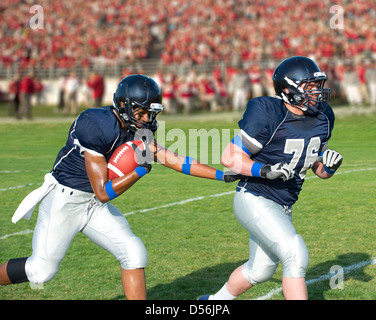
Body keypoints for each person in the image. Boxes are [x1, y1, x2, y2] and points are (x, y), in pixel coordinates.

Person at [0, 74, 239, 300]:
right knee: (40, 271)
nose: (146, 119)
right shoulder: (96, 124)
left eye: (150, 113)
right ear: (123, 105)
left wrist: (221, 175)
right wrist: (139, 171)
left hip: (92, 204)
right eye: (142, 112)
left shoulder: (139, 127)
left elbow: (172, 158)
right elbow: (103, 192)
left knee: (133, 253)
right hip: (65, 201)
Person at [198, 56, 343, 300]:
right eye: (309, 87)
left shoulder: (324, 116)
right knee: (295, 253)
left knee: (260, 270)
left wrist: (328, 167)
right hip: (255, 197)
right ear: (287, 90)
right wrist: (264, 170)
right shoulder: (269, 112)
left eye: (317, 86)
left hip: (284, 204)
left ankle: (213, 302)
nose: (317, 93)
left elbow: (315, 168)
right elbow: (229, 156)